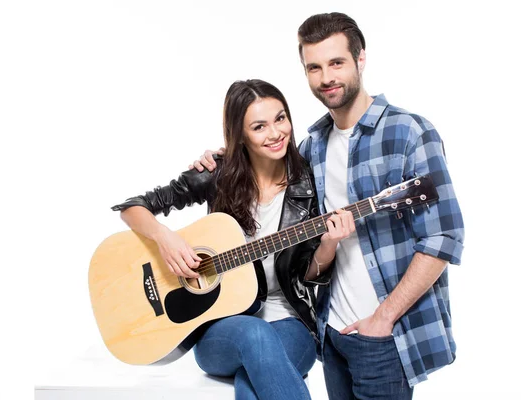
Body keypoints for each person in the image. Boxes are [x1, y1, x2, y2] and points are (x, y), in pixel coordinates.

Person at [191, 12, 465, 400]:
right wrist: (221, 159)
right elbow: (262, 174)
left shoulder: (408, 132)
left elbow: (444, 236)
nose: (326, 78)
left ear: (360, 58)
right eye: (314, 67)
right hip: (330, 331)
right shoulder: (310, 147)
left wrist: (383, 318)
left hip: (383, 335)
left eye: (336, 62)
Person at [112, 79, 355, 400]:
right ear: (239, 134)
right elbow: (132, 208)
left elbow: (306, 274)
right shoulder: (217, 173)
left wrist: (329, 244)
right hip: (223, 330)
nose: (276, 133)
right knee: (254, 336)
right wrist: (165, 239)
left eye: (281, 118)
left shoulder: (308, 182)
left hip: (290, 323)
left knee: (252, 384)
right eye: (259, 126)